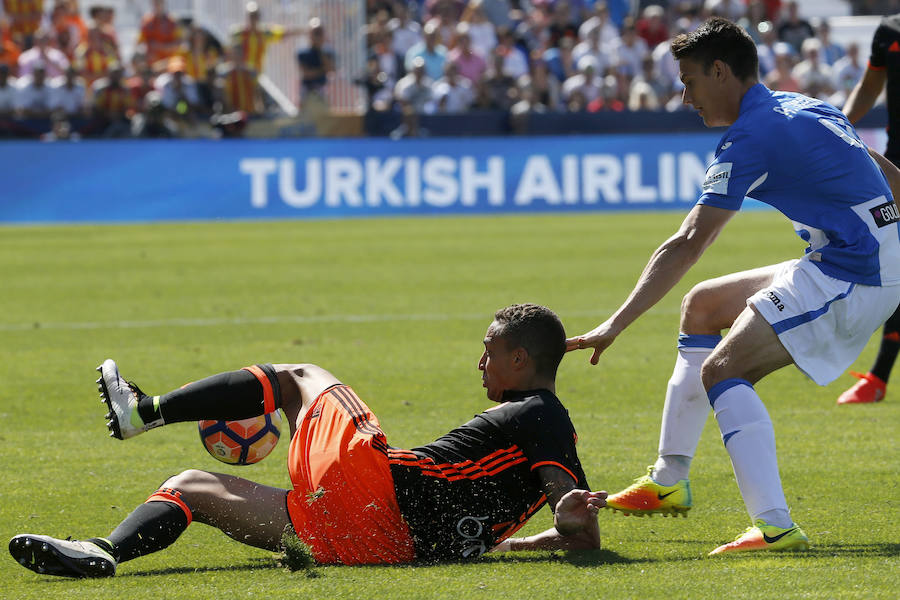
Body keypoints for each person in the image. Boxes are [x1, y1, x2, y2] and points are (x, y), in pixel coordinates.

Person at [568, 17, 900, 556]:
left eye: (690, 81)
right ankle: (669, 480)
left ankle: (774, 527)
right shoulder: (805, 105)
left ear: (720, 71)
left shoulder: (750, 137)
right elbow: (884, 173)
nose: (685, 96)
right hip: (857, 256)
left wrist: (615, 323)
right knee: (701, 305)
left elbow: (689, 241)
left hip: (856, 271)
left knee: (723, 369)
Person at [8, 304, 606, 577]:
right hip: (380, 546)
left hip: (374, 488)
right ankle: (104, 553)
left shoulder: (538, 413)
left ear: (521, 358)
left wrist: (563, 506)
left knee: (298, 378)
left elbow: (564, 502)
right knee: (192, 487)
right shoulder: (555, 434)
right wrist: (547, 527)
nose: (480, 363)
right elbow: (580, 532)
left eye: (490, 352)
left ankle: (143, 412)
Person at [836, 13, 900, 405]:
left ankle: (878, 377)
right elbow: (870, 85)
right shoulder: (889, 30)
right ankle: (877, 378)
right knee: (893, 262)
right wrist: (836, 124)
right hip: (895, 166)